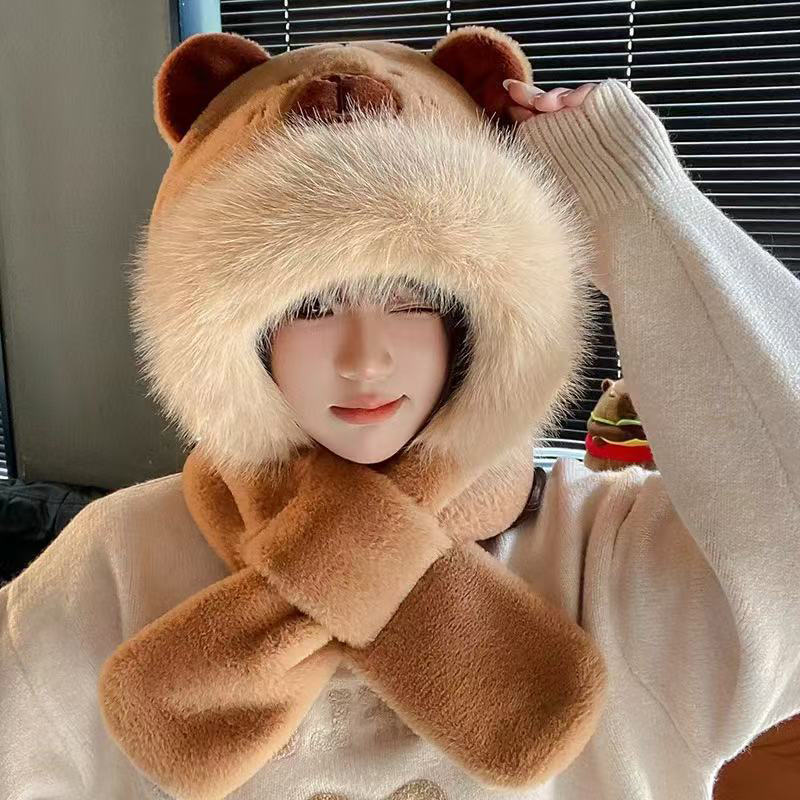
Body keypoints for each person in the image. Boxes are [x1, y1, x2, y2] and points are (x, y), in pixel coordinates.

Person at [1, 58, 799, 800]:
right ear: (234, 334)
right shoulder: (116, 558)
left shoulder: (609, 554)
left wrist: (644, 208)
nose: (365, 359)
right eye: (312, 306)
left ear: (483, 321)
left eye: (414, 297)